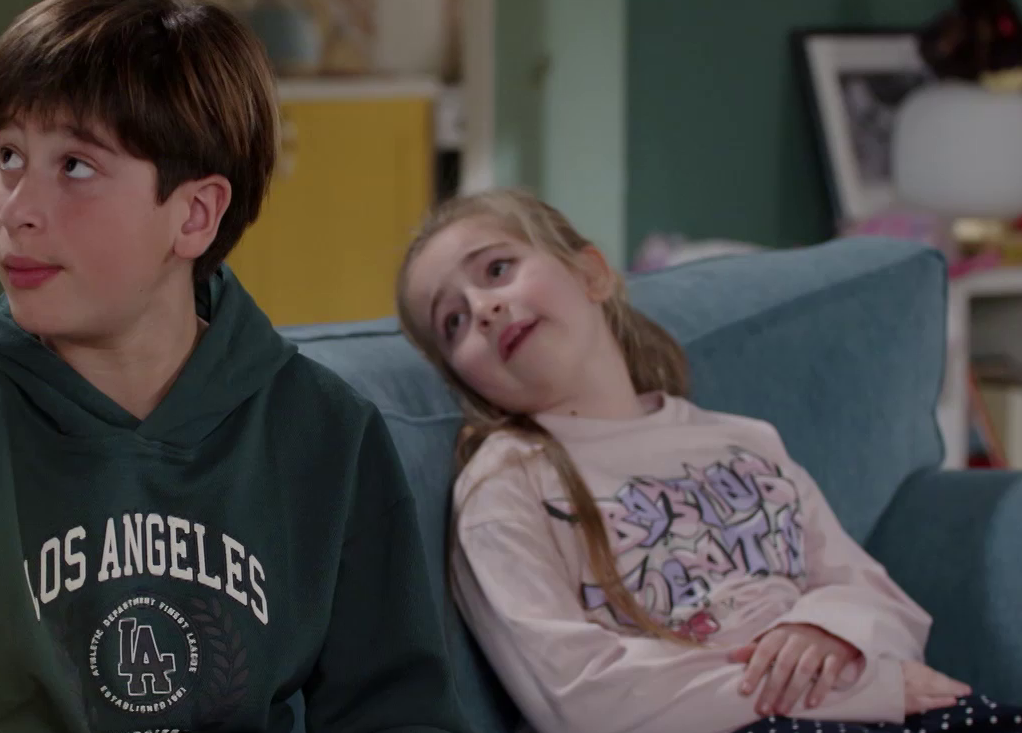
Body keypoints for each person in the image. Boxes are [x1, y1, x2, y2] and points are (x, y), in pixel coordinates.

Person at [0, 0, 470, 733]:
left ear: (194, 214)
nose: (16, 208)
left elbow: (398, 711)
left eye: (75, 166)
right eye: (10, 155)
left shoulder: (327, 431)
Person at [394, 187, 1022, 733]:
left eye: (497, 268)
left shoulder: (744, 442)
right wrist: (855, 691)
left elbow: (876, 597)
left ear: (590, 274)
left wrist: (828, 631)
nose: (483, 309)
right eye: (452, 322)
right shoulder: (505, 486)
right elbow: (577, 694)